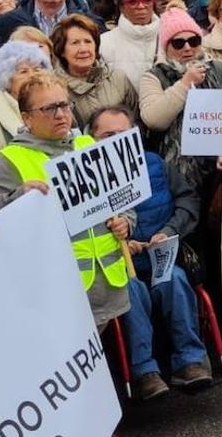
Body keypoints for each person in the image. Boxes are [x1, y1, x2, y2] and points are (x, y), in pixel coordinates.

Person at [0, 72, 132, 437]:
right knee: (61, 363)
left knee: (92, 357)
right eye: (50, 108)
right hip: (51, 285)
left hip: (102, 277)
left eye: (65, 105)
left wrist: (126, 221)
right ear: (26, 118)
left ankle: (98, 426)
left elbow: (120, 200)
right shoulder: (7, 161)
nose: (62, 114)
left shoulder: (87, 144)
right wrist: (16, 196)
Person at [89, 107, 211, 398]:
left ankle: (190, 362)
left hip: (160, 255)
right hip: (116, 264)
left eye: (123, 134)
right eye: (107, 135)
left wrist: (168, 231)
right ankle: (144, 372)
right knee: (130, 291)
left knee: (175, 281)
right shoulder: (85, 180)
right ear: (90, 138)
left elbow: (188, 201)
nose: (116, 140)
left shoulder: (156, 164)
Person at [140, 9, 222, 191]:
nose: (187, 48)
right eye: (178, 43)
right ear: (166, 47)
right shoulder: (153, 76)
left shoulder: (219, 69)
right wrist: (185, 83)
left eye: (193, 41)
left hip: (218, 167)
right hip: (176, 173)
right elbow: (154, 119)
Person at [0, 41, 52, 167]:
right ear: (6, 79)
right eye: (23, 71)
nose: (33, 76)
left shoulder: (60, 108)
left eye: (37, 69)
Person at [53, 14, 137, 129]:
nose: (83, 49)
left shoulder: (118, 78)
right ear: (61, 50)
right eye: (75, 43)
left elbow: (136, 121)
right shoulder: (54, 88)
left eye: (88, 41)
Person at [98, 0, 161, 91]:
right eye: (133, 2)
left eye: (146, 0)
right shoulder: (104, 43)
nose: (141, 6)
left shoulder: (172, 38)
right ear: (121, 6)